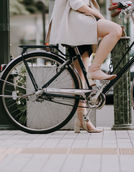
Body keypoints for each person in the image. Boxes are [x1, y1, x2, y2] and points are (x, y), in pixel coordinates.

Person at [48, 0, 122, 133]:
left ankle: (82, 120)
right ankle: (94, 69)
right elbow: (77, 3)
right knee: (115, 30)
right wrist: (97, 14)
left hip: (77, 25)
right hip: (77, 23)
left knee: (80, 78)